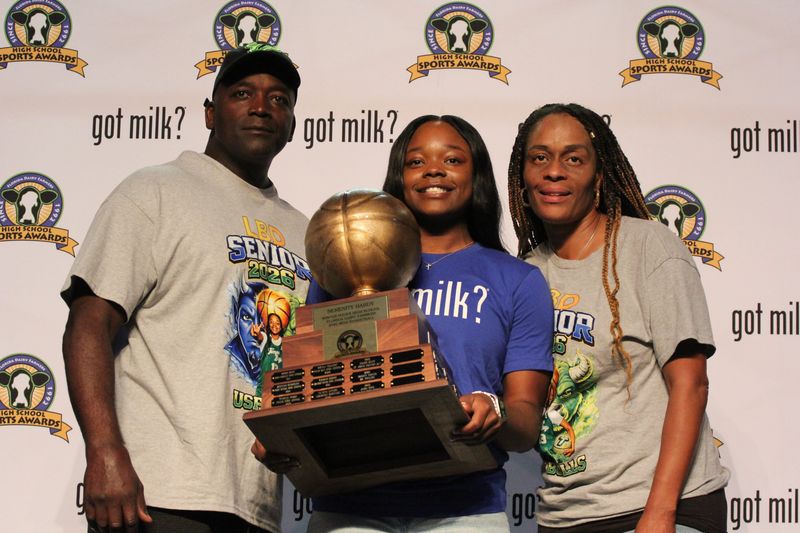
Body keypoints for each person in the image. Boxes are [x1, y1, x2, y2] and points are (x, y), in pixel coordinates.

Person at [61, 43, 311, 533]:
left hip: (258, 505)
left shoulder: (306, 233)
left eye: (279, 99)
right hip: (156, 495)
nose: (262, 106)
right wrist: (105, 452)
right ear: (210, 113)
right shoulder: (154, 191)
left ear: (292, 125)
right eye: (243, 93)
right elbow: (88, 324)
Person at [294, 115, 554, 532]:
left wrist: (495, 409)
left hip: (465, 509)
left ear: (477, 176)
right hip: (350, 506)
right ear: (400, 177)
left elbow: (525, 424)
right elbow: (312, 384)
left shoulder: (517, 281)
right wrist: (283, 436)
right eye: (417, 162)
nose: (434, 169)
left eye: (452, 159)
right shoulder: (342, 264)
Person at [507, 103, 729, 533]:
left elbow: (691, 384)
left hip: (663, 506)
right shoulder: (523, 275)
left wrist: (660, 513)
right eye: (540, 157)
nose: (555, 171)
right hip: (565, 514)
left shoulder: (648, 247)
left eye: (574, 158)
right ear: (523, 177)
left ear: (599, 175)